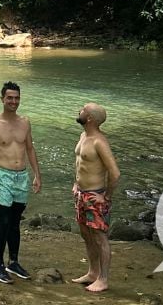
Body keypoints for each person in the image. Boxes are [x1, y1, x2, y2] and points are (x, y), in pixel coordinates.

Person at [0, 81, 42, 284]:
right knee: (4, 222)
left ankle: (13, 262)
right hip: (2, 176)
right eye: (9, 98)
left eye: (16, 98)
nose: (13, 101)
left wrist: (37, 175)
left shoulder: (25, 122)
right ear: (2, 99)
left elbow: (30, 149)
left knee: (16, 223)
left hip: (21, 177)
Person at [72, 102, 121, 294]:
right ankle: (92, 273)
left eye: (83, 109)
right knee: (86, 235)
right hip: (81, 195)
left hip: (95, 197)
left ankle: (103, 279)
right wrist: (76, 184)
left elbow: (115, 173)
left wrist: (106, 196)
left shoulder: (99, 141)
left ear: (90, 118)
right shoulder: (83, 135)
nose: (80, 110)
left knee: (100, 238)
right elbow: (81, 164)